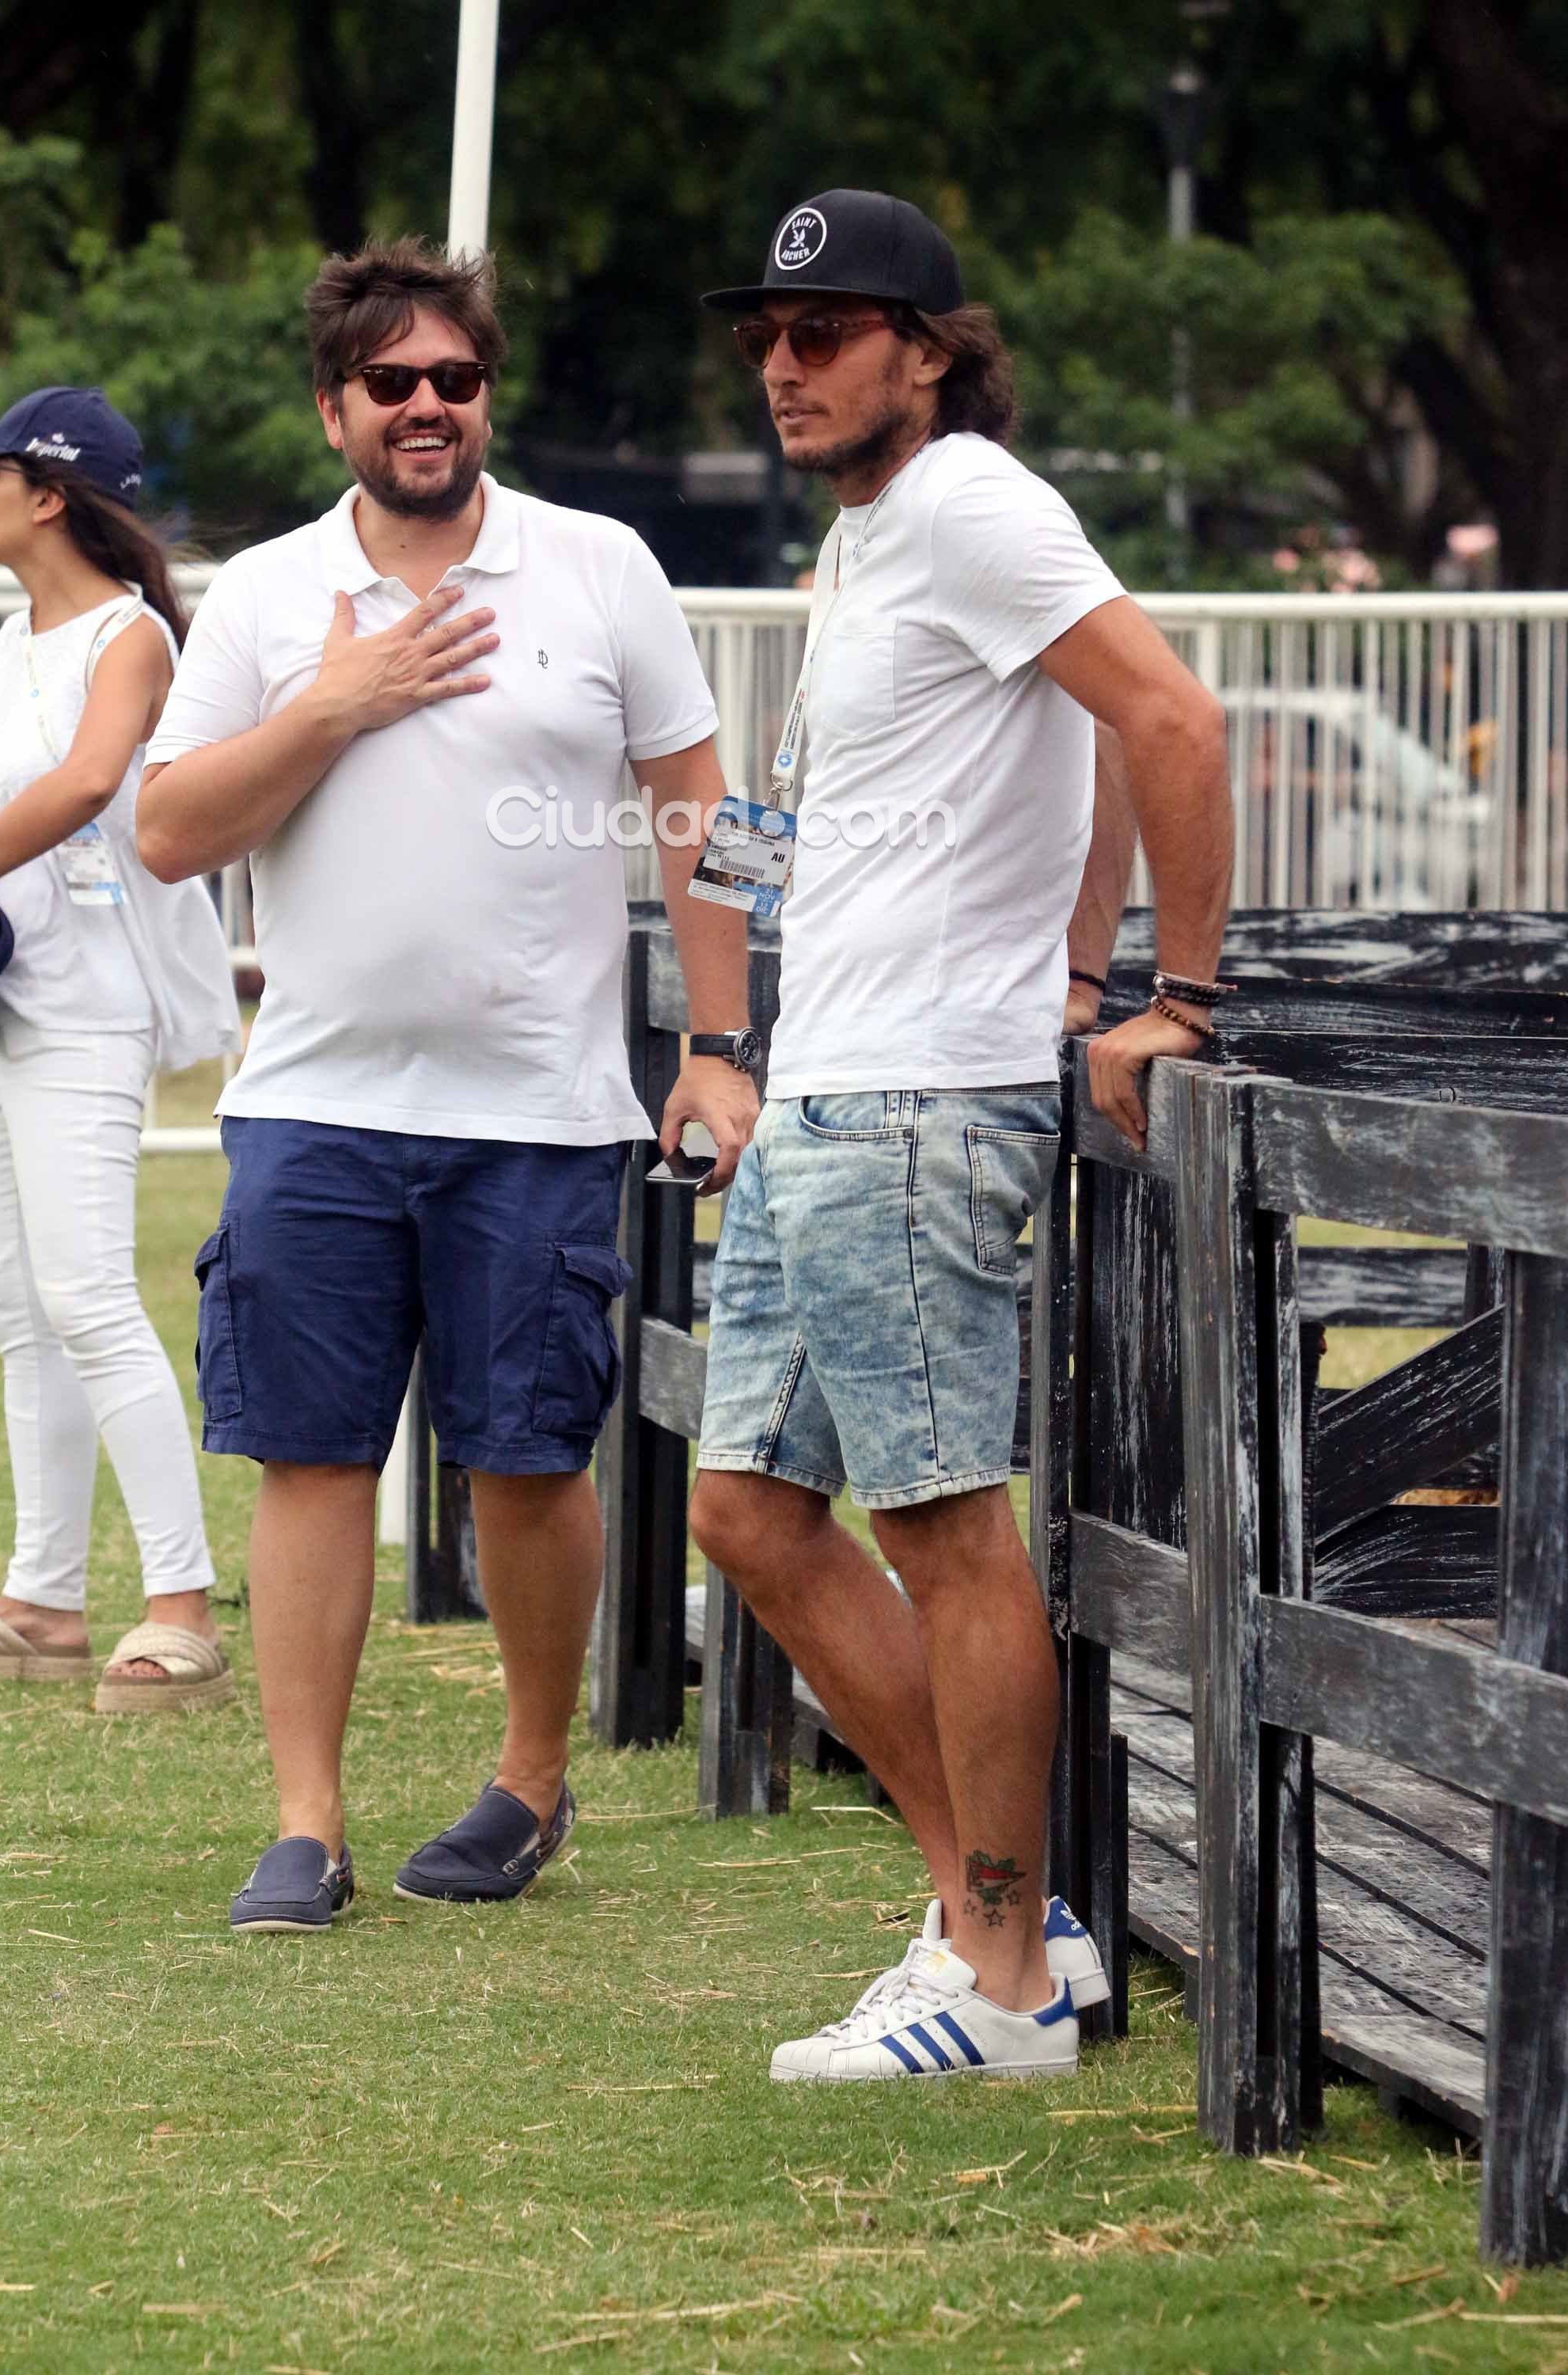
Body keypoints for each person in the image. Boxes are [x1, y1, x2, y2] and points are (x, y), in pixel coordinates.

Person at [137, 238, 758, 1935]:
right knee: (310, 1454)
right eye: (392, 384)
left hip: (543, 1107)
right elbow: (173, 830)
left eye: (455, 379)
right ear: (335, 408)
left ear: (489, 393)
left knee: (527, 1459)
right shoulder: (265, 596)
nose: (427, 407)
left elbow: (706, 823)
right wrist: (336, 702)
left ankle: (529, 1783)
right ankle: (306, 1827)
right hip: (316, 1106)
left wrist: (717, 1049)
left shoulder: (602, 568)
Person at [689, 192, 1232, 2081]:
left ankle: (1002, 1989)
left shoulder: (976, 503)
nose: (784, 362)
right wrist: (1071, 966)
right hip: (831, 1087)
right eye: (767, 333)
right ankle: (1005, 1922)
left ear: (925, 350)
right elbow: (1068, 752)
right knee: (744, 1510)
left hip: (920, 1101)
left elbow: (1166, 715)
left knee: (946, 1536)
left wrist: (1175, 995)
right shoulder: (873, 543)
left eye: (827, 330)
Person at [0, 387, 241, 1710]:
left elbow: (88, 784)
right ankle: (42, 1599)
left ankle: (184, 1605)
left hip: (90, 999)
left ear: (47, 492)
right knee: (18, 1302)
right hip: (4, 992)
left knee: (86, 1294)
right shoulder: (13, 633)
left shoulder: (130, 635)